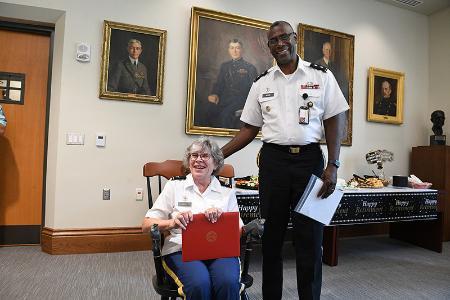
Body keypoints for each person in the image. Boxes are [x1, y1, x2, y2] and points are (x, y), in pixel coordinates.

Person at [221, 21, 349, 299]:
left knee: (310, 241)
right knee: (272, 239)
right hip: (273, 164)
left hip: (310, 163)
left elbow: (336, 118)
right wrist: (219, 155)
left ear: (294, 39)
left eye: (284, 37)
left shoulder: (321, 76)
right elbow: (248, 129)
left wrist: (333, 164)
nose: (280, 43)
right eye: (273, 40)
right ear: (269, 47)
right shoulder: (261, 83)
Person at [142, 137, 243, 300]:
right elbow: (146, 225)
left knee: (228, 282)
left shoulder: (227, 193)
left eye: (205, 156)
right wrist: (171, 222)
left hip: (220, 251)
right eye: (194, 155)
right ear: (188, 161)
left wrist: (222, 220)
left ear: (216, 163)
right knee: (199, 284)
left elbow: (238, 231)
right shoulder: (174, 186)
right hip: (181, 249)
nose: (198, 160)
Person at [207, 39, 258, 129]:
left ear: (242, 50)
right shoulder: (224, 66)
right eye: (232, 48)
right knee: (208, 111)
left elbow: (254, 89)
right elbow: (219, 83)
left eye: (237, 48)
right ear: (228, 50)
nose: (234, 51)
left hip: (241, 100)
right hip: (224, 98)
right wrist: (214, 94)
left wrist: (248, 105)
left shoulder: (250, 68)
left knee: (225, 115)